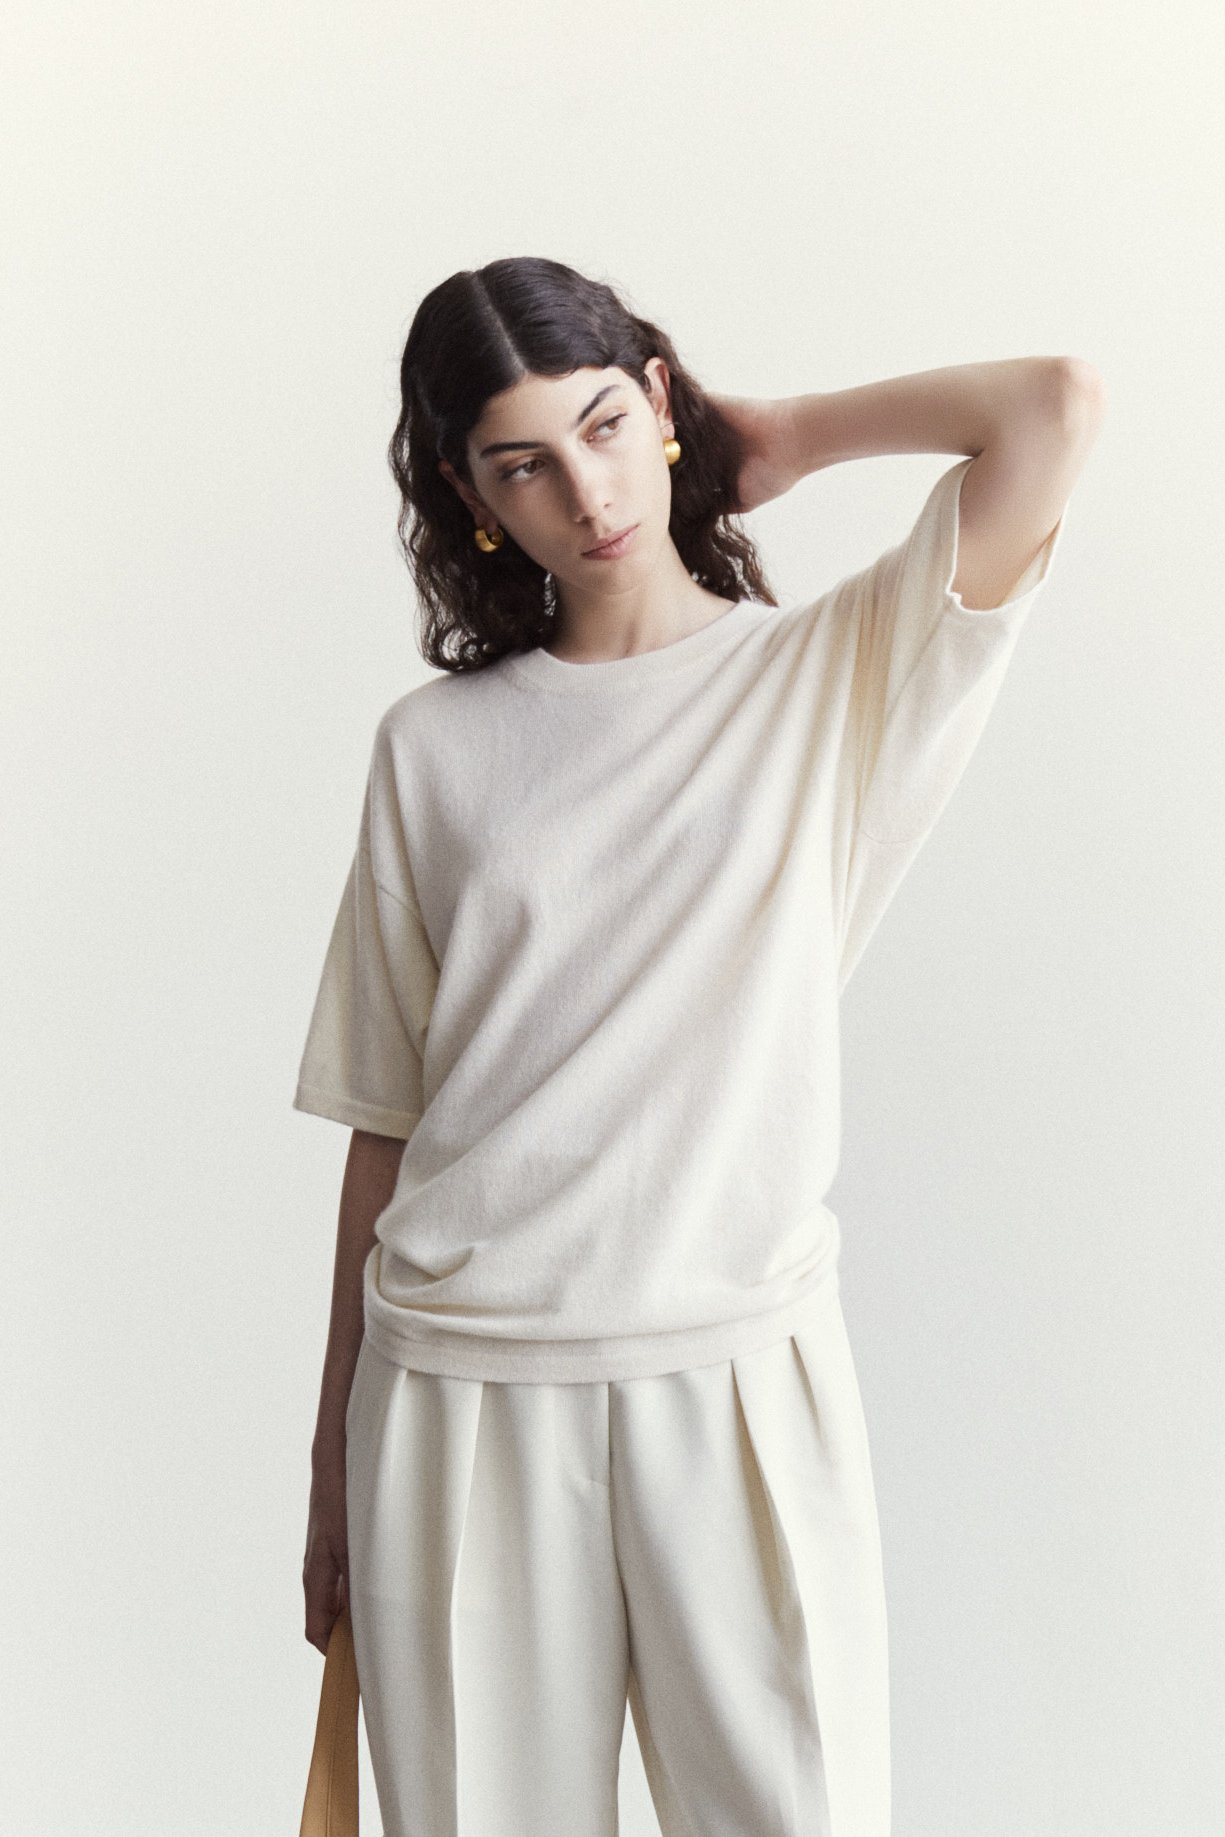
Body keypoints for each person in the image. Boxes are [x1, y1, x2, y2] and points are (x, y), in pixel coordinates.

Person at [295, 255, 1105, 1837]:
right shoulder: (433, 751)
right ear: (469, 496)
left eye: (604, 424)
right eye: (520, 464)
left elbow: (1054, 409)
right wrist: (330, 1464)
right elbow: (384, 1119)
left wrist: (782, 434)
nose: (584, 493)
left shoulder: (828, 675)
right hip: (458, 1395)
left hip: (740, 1380)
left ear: (661, 401)